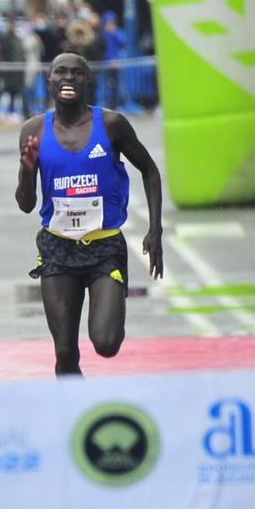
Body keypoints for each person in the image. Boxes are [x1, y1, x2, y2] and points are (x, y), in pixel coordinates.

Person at [15, 53, 163, 377]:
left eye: (76, 73)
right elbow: (26, 204)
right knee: (65, 351)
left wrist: (156, 230)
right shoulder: (34, 130)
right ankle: (76, 414)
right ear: (49, 79)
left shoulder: (111, 125)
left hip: (104, 249)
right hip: (57, 249)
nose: (68, 79)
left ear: (87, 81)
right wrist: (27, 172)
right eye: (60, 73)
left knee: (106, 342)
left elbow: (150, 170)